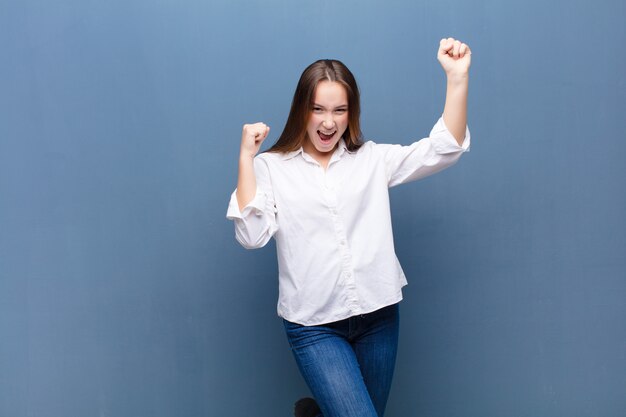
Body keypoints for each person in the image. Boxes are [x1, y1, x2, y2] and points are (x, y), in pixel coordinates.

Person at [226, 37, 472, 417]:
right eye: (318, 109)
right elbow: (251, 235)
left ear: (351, 113)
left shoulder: (371, 159)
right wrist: (246, 157)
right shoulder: (271, 167)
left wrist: (457, 78)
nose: (329, 122)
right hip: (315, 327)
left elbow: (444, 149)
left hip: (379, 317)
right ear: (302, 111)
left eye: (339, 110)